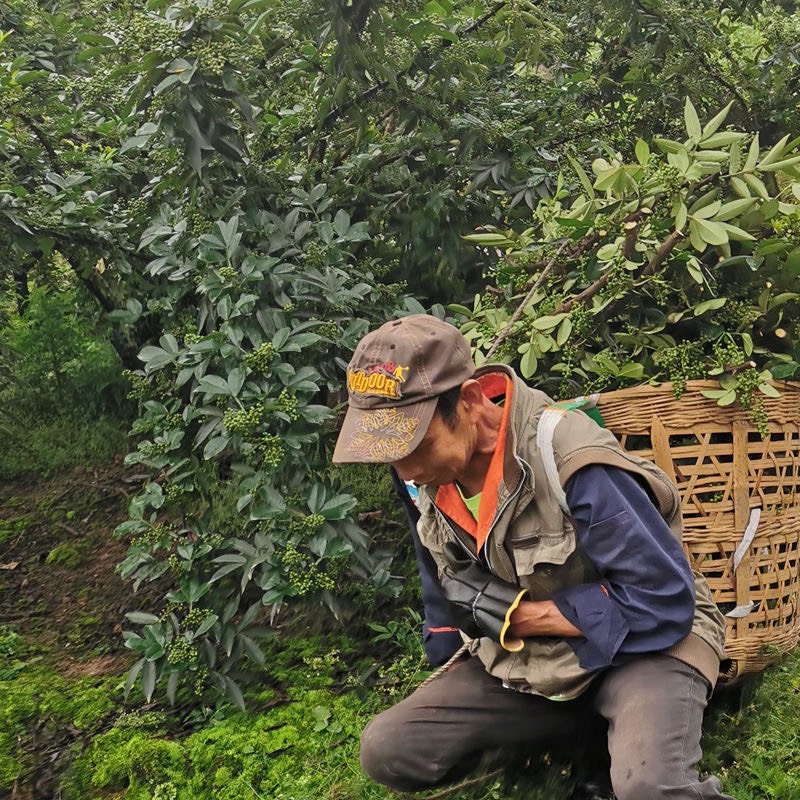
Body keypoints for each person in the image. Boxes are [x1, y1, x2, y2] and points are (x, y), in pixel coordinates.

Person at [331, 314, 732, 800]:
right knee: (388, 749)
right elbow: (443, 574)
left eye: (415, 442)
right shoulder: (419, 474)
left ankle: (630, 727)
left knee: (649, 787)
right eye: (388, 451)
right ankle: (592, 730)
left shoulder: (568, 456)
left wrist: (523, 618)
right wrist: (452, 638)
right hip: (537, 662)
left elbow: (664, 602)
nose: (407, 468)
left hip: (646, 646)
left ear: (471, 400)